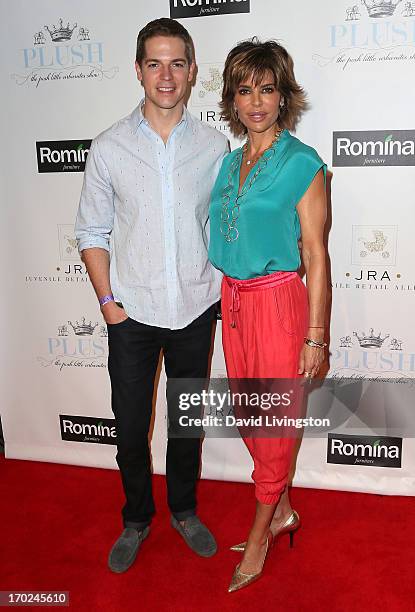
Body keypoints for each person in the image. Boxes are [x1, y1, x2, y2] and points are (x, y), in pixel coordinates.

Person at [75, 17, 228, 573]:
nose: (166, 75)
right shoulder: (109, 147)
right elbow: (91, 233)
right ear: (138, 70)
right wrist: (108, 304)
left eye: (177, 63)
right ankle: (137, 518)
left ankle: (184, 510)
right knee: (129, 425)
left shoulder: (215, 146)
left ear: (191, 73)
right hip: (132, 314)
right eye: (155, 63)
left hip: (195, 308)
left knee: (188, 424)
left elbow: (223, 228)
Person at [209, 38, 327, 592]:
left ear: (284, 95)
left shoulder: (304, 164)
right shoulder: (230, 162)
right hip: (233, 305)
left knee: (276, 425)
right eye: (244, 89)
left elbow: (315, 255)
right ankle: (282, 509)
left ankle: (259, 534)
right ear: (233, 99)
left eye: (267, 88)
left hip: (279, 305)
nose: (255, 101)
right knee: (254, 418)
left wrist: (317, 336)